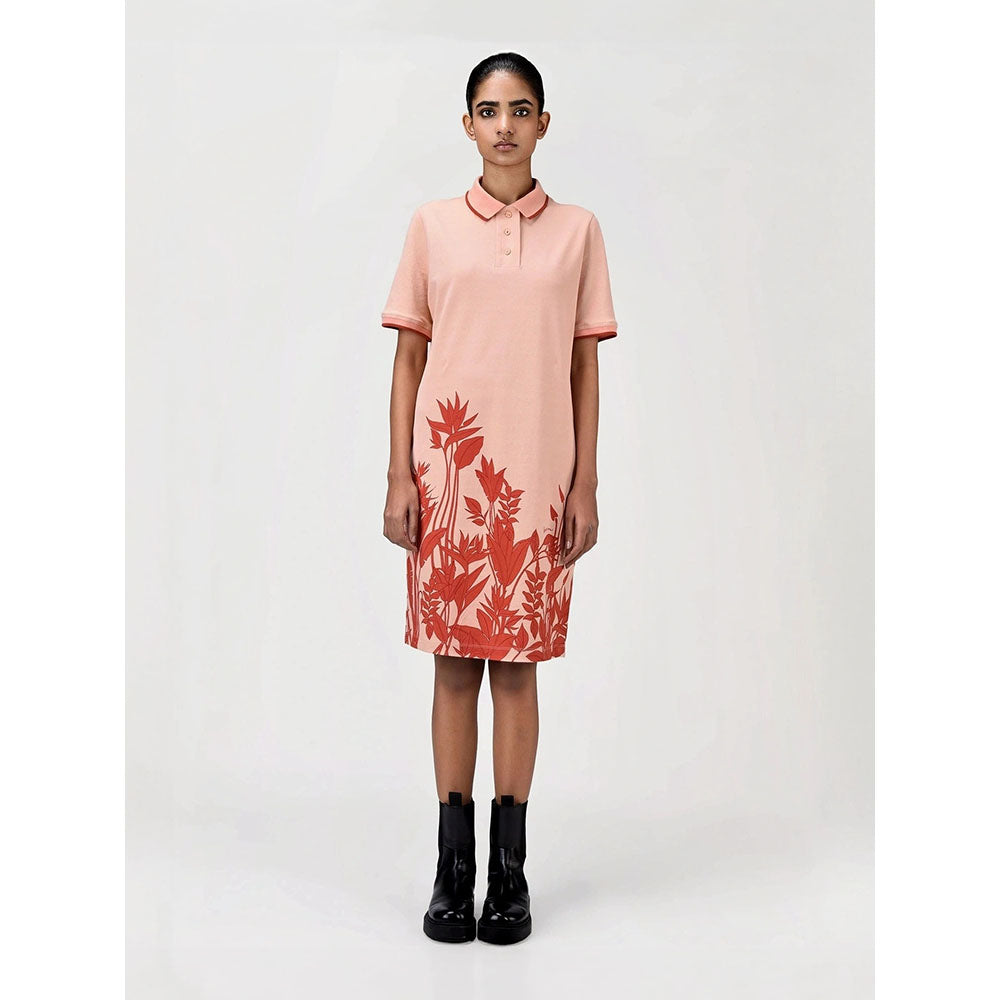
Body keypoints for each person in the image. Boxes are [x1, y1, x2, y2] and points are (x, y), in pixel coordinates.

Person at [380, 52, 619, 945]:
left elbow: (584, 366)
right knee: (452, 666)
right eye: (489, 110)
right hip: (450, 480)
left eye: (521, 110)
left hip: (536, 484)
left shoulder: (579, 232)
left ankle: (509, 875)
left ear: (544, 124)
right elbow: (408, 358)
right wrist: (399, 475)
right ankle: (454, 870)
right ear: (468, 125)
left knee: (517, 670)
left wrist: (584, 481)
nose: (505, 126)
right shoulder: (432, 227)